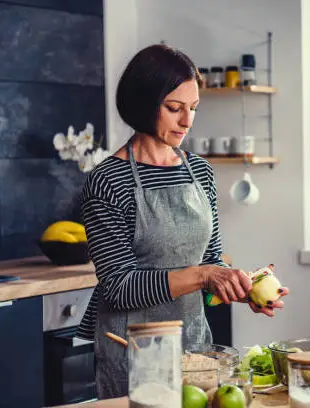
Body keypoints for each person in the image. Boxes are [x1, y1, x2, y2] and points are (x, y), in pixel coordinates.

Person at [75, 44, 289, 399]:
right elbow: (119, 286)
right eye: (174, 108)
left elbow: (211, 260)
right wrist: (205, 276)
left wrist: (237, 287)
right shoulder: (108, 182)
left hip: (194, 347)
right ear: (144, 103)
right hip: (133, 351)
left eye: (193, 108)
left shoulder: (200, 171)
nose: (187, 121)